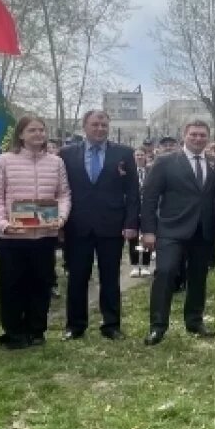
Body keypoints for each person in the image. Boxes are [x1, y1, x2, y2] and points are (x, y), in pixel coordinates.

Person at [0, 115, 71, 349]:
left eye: (41, 130)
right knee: (12, 285)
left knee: (41, 284)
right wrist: (3, 224)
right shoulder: (4, 161)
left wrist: (61, 218)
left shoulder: (56, 162)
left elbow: (63, 194)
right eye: (32, 130)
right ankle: (14, 331)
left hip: (43, 236)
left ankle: (36, 330)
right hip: (11, 237)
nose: (38, 134)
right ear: (21, 134)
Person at [58, 110, 139, 340]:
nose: (100, 129)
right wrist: (60, 222)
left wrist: (131, 222)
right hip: (77, 225)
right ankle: (75, 326)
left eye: (104, 125)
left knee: (110, 277)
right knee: (77, 277)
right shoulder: (66, 154)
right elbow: (60, 190)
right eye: (95, 124)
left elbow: (133, 192)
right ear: (84, 126)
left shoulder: (124, 154)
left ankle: (111, 325)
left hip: (111, 225)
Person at [140, 120, 215, 345]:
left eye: (202, 135)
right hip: (171, 228)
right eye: (193, 134)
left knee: (198, 277)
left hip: (202, 230)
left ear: (208, 138)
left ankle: (194, 321)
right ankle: (157, 326)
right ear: (185, 136)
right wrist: (148, 230)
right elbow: (150, 197)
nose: (198, 138)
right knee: (165, 273)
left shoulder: (214, 164)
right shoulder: (165, 162)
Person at [130, 149, 154, 277]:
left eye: (141, 155)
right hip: (133, 209)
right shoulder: (129, 172)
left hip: (147, 208)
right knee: (133, 239)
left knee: (147, 237)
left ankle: (145, 265)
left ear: (146, 156)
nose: (139, 157)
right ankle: (134, 265)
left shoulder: (151, 171)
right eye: (137, 155)